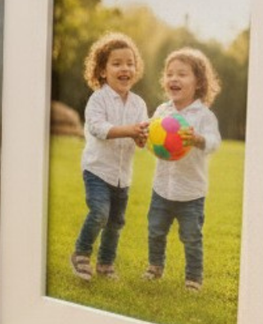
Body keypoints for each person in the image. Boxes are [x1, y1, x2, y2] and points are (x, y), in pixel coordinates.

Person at [145, 48, 224, 291]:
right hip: (162, 188)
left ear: (198, 82)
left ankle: (193, 278)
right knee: (155, 230)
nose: (174, 79)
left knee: (191, 238)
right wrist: (144, 136)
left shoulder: (204, 115)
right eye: (169, 74)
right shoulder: (162, 111)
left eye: (182, 74)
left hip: (191, 192)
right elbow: (152, 135)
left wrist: (198, 139)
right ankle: (155, 267)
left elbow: (214, 142)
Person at [73, 32, 149, 282]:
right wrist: (129, 130)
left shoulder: (138, 104)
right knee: (99, 213)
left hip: (122, 176)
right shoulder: (98, 99)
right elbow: (98, 128)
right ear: (103, 71)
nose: (124, 68)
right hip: (97, 170)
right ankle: (81, 254)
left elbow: (141, 136)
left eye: (130, 63)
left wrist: (141, 138)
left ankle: (106, 265)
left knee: (116, 222)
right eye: (116, 63)